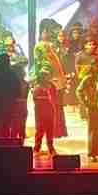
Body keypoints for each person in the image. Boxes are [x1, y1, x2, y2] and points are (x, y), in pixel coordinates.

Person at [31, 21, 66, 154]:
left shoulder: (52, 46)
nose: (47, 33)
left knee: (50, 122)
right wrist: (43, 76)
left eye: (48, 31)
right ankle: (38, 146)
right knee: (40, 124)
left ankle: (50, 146)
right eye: (45, 31)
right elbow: (39, 63)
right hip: (43, 87)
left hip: (52, 84)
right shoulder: (39, 47)